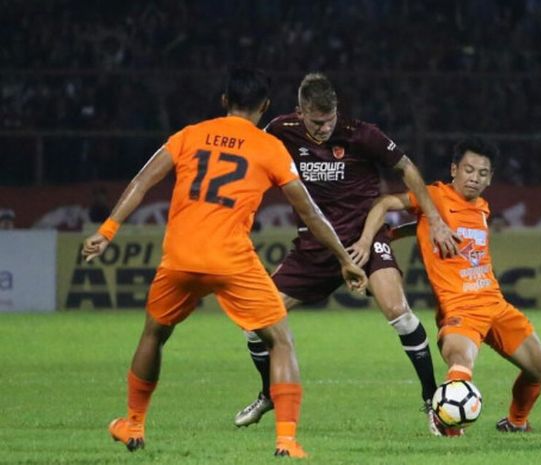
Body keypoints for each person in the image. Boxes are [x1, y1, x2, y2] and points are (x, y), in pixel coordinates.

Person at [81, 68, 368, 459]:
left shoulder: (189, 135)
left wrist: (107, 230)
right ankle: (286, 440)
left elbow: (142, 180)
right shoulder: (269, 148)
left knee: (153, 335)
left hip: (180, 256)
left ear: (223, 101)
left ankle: (133, 423)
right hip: (230, 259)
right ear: (265, 107)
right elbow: (312, 213)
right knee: (280, 341)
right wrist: (343, 259)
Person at [234, 73, 460, 436]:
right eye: (315, 121)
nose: (324, 128)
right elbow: (251, 159)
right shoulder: (281, 129)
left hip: (364, 242)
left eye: (329, 120)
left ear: (336, 110)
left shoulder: (361, 134)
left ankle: (432, 401)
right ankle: (268, 394)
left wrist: (433, 219)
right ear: (301, 111)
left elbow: (407, 168)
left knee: (399, 313)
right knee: (252, 322)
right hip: (314, 248)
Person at [354, 136, 541, 435]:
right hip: (459, 309)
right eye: (469, 170)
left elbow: (440, 230)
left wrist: (406, 232)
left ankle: (515, 422)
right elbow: (383, 204)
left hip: (495, 304)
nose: (475, 178)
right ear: (454, 169)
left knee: (540, 368)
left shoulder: (482, 207)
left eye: (482, 173)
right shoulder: (434, 195)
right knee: (460, 362)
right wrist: (368, 242)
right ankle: (444, 420)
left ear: (490, 178)